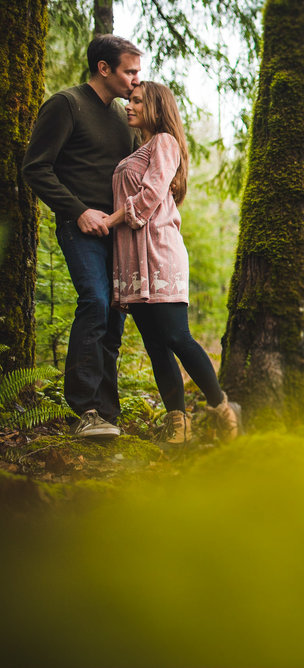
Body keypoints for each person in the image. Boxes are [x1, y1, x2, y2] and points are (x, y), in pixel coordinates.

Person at [103, 81, 240, 444]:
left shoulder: (164, 141)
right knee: (156, 346)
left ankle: (222, 407)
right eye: (128, 99)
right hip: (134, 260)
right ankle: (177, 424)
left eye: (136, 101)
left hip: (161, 255)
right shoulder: (141, 147)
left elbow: (149, 198)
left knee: (177, 336)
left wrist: (109, 219)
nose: (128, 106)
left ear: (156, 107)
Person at [22, 35, 143, 439]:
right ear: (104, 68)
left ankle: (108, 414)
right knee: (94, 301)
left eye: (137, 72)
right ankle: (84, 410)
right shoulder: (66, 104)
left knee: (114, 314)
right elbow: (37, 168)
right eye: (129, 71)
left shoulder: (122, 117)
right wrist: (79, 211)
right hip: (80, 228)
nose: (135, 80)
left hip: (118, 232)